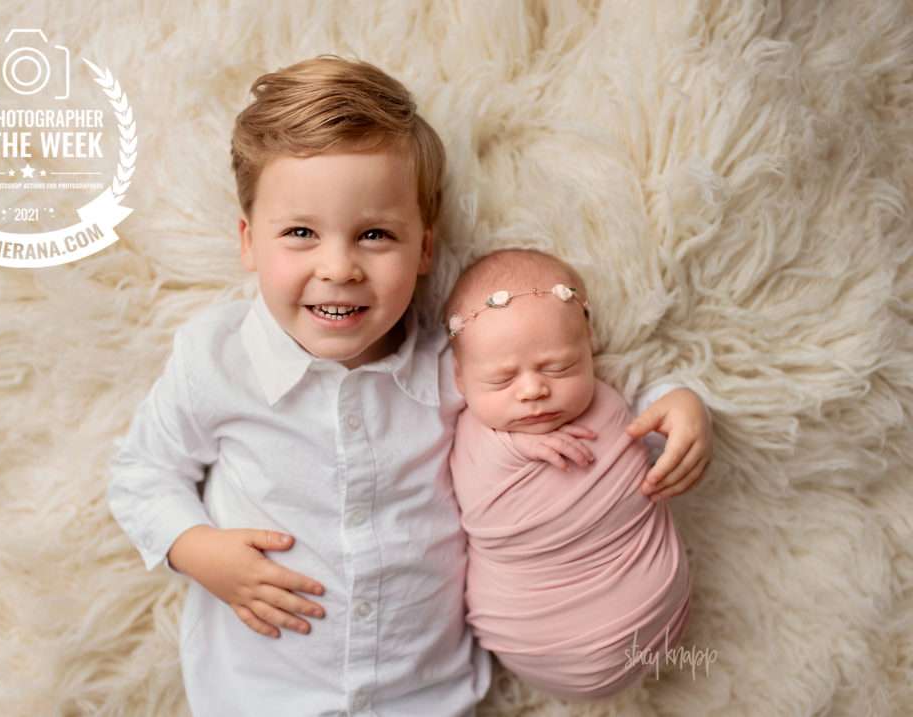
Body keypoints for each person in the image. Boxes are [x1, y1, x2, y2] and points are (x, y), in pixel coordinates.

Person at [106, 55, 713, 717]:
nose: (339, 267)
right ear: (249, 242)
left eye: (374, 235)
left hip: (426, 693)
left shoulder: (454, 367)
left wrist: (672, 401)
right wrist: (197, 550)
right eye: (301, 233)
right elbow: (142, 472)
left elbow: (575, 384)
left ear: (425, 248)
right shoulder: (216, 359)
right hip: (262, 694)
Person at [445, 248, 699, 700]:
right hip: (529, 632)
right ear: (461, 380)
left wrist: (686, 405)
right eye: (502, 380)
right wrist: (514, 446)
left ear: (589, 348)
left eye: (559, 367)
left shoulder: (613, 399)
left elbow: (662, 424)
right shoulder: (466, 431)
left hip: (657, 620)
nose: (533, 389)